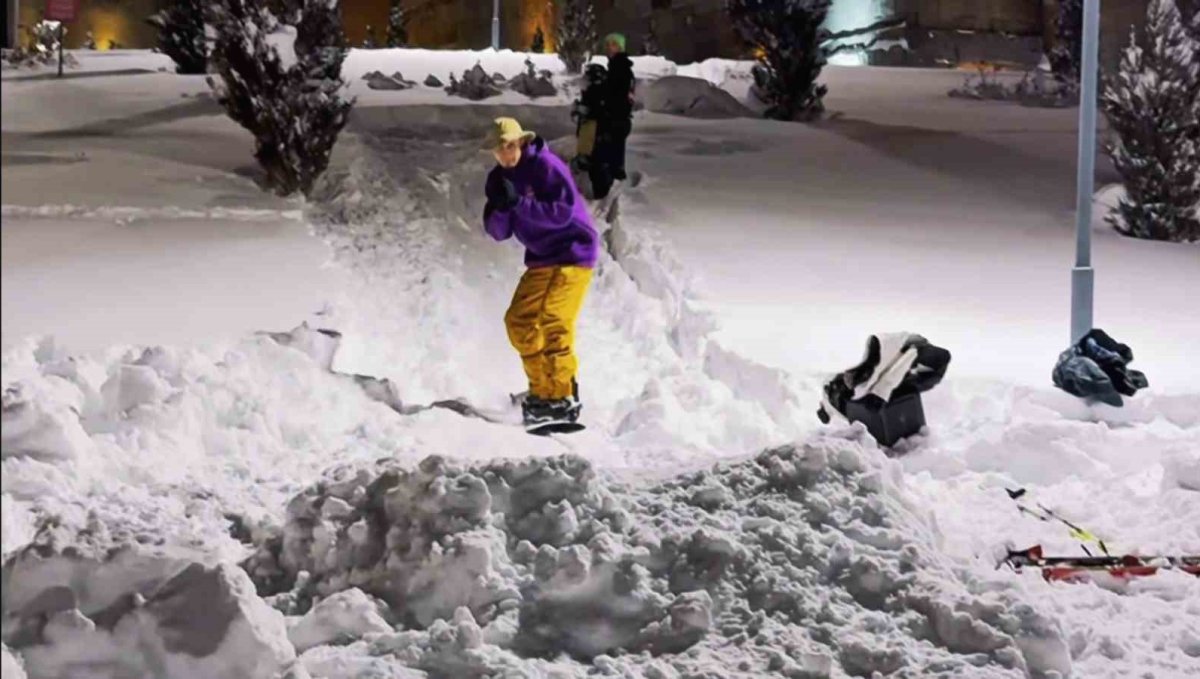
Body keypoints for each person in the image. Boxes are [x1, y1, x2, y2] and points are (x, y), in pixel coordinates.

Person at [482, 117, 600, 428]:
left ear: (520, 141)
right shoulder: (498, 179)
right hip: (542, 258)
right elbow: (498, 232)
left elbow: (562, 213)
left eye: (510, 145)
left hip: (574, 251)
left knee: (554, 319)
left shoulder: (546, 166)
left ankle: (563, 395)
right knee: (518, 322)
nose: (506, 154)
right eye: (499, 149)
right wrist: (501, 206)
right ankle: (542, 391)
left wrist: (519, 203)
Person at [590, 32, 635, 199]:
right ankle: (610, 192)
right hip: (617, 121)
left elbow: (616, 96)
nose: (609, 48)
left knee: (604, 161)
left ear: (621, 47)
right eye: (608, 44)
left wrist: (602, 106)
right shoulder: (616, 67)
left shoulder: (620, 68)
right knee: (613, 159)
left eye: (614, 44)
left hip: (614, 121)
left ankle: (606, 195)